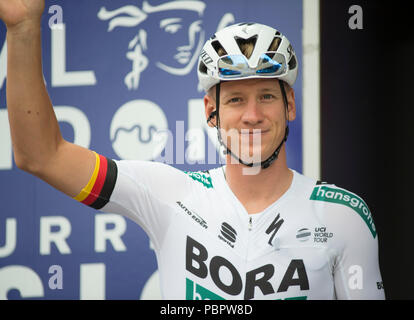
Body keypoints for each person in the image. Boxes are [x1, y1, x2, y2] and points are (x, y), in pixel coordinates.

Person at [0, 0, 385, 300]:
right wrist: (22, 28)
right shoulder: (170, 195)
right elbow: (41, 155)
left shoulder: (342, 215)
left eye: (266, 96)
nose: (252, 115)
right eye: (235, 100)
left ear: (290, 106)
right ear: (211, 111)